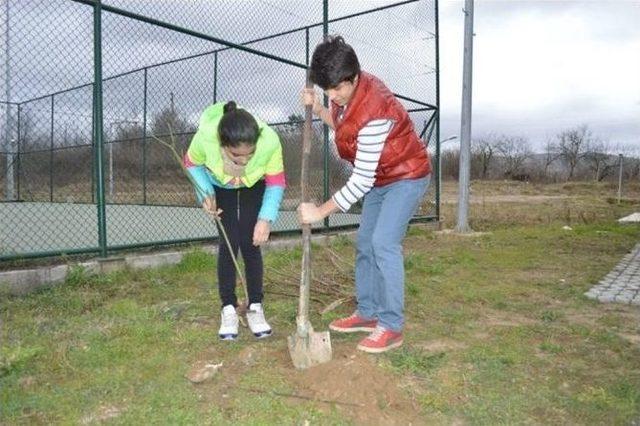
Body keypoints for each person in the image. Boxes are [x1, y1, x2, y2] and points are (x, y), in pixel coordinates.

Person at [298, 36, 432, 354]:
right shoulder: (344, 92)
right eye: (327, 91)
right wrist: (318, 109)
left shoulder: (376, 109)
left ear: (354, 77)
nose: (333, 96)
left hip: (407, 175)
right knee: (365, 243)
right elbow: (344, 127)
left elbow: (359, 180)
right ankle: (368, 313)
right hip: (381, 178)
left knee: (384, 243)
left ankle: (391, 326)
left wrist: (320, 211)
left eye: (336, 90)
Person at [184, 101, 286, 340]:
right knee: (229, 242)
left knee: (251, 243)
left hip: (254, 185)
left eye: (250, 154)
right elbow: (191, 163)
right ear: (222, 143)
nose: (244, 161)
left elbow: (276, 182)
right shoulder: (206, 137)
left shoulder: (269, 141)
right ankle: (228, 307)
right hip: (221, 186)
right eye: (236, 155)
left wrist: (266, 219)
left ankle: (256, 306)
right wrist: (205, 194)